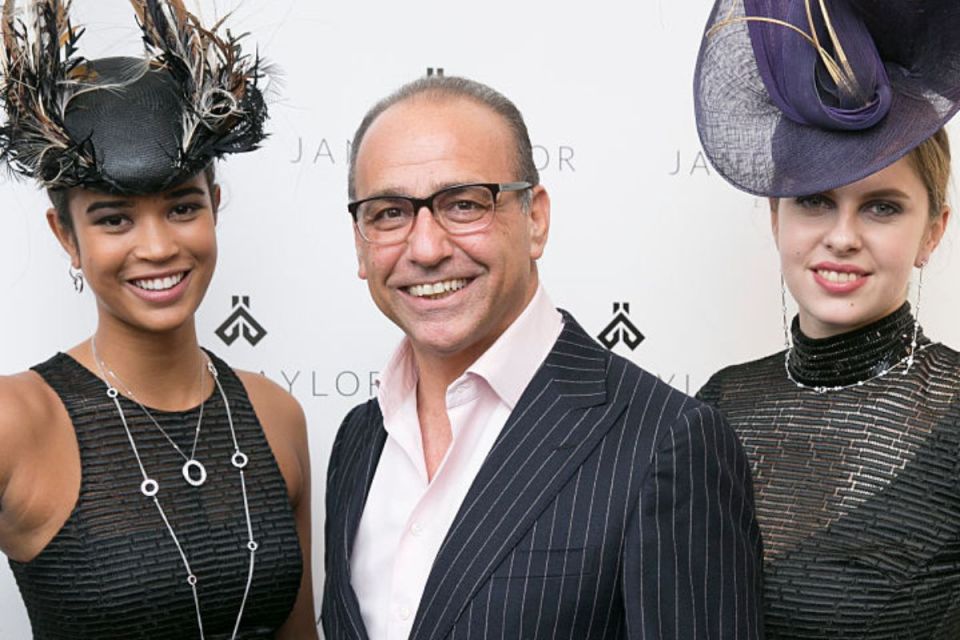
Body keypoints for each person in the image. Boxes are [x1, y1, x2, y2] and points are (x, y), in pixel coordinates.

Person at [322, 75, 763, 639]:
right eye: (389, 213)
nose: (426, 248)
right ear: (360, 242)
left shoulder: (667, 441)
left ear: (536, 220)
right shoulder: (358, 439)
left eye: (463, 204)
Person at [0, 1, 316, 638]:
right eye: (114, 218)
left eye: (181, 207)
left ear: (215, 207)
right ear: (66, 235)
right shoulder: (16, 421)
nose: (157, 247)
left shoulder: (276, 414)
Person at [694, 1, 960, 637]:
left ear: (933, 232)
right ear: (776, 220)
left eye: (882, 208)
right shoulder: (718, 408)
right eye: (814, 201)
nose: (842, 237)